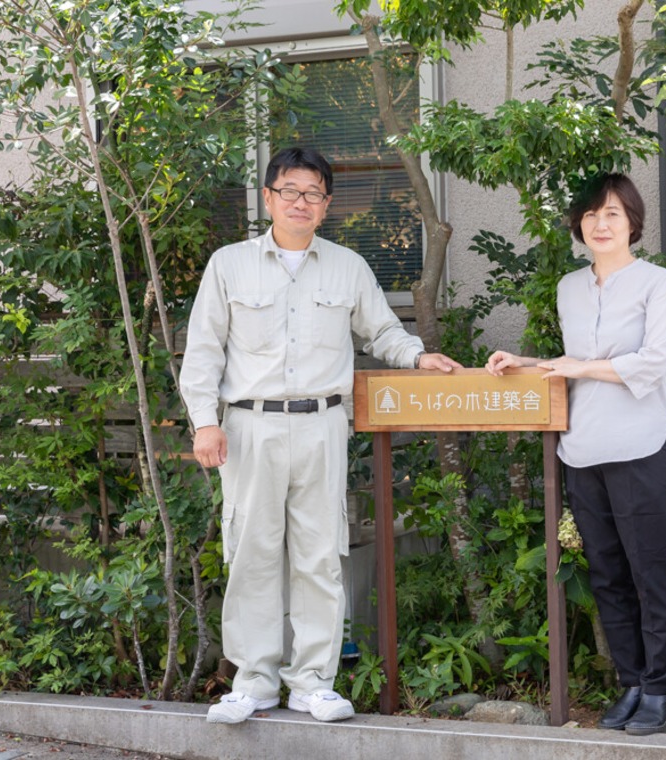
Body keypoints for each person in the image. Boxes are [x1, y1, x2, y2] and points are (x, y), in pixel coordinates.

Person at [180, 147, 461, 725]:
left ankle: (312, 683)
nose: (300, 202)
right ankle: (254, 681)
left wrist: (417, 358)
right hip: (249, 426)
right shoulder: (228, 265)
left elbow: (382, 328)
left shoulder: (347, 266)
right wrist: (204, 422)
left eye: (312, 193)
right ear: (268, 198)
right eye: (289, 191)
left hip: (323, 426)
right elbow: (204, 350)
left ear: (327, 204)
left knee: (319, 555)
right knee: (252, 553)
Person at [485, 173, 666, 735]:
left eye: (614, 214)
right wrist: (526, 363)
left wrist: (575, 366)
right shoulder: (570, 288)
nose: (601, 223)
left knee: (653, 570)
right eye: (592, 214)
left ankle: (660, 687)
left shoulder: (656, 282)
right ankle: (630, 682)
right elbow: (575, 362)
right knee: (607, 574)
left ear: (633, 224)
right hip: (583, 448)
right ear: (579, 223)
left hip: (642, 445)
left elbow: (653, 362)